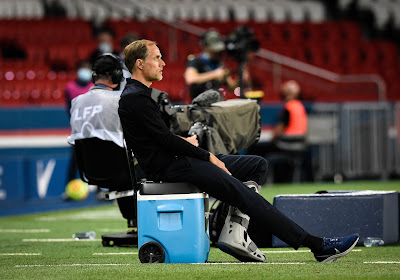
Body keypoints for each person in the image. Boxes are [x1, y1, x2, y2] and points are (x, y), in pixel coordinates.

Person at [118, 39, 359, 263]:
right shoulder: (135, 98)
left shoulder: (141, 95)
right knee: (241, 191)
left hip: (177, 159)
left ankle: (235, 230)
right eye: (157, 57)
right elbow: (162, 140)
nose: (163, 63)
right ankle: (316, 245)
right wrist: (208, 156)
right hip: (171, 168)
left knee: (256, 164)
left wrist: (185, 142)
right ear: (140, 64)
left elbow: (158, 137)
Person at [68, 53, 137, 237]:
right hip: (122, 170)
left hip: (91, 171)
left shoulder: (76, 102)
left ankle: (132, 223)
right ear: (116, 76)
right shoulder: (119, 100)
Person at [184, 29, 247, 100]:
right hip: (199, 103)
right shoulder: (196, 61)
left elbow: (232, 87)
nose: (216, 52)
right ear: (205, 47)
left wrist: (239, 77)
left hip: (216, 103)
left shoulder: (219, 63)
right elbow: (190, 79)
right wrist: (214, 74)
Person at [64, 60, 94, 183]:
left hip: (94, 131)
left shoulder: (94, 87)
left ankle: (100, 190)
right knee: (75, 161)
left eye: (87, 68)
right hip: (78, 131)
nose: (85, 71)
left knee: (95, 161)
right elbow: (68, 108)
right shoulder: (69, 87)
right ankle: (69, 187)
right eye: (83, 68)